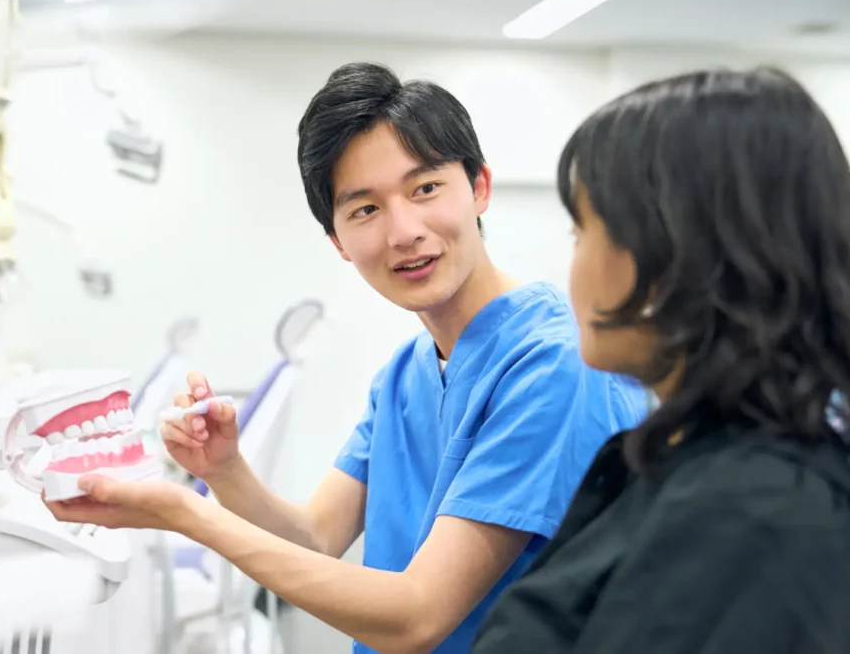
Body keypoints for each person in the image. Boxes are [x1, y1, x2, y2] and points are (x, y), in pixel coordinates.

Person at [45, 62, 648, 653]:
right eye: (365, 209)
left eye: (426, 188)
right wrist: (223, 471)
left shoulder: (555, 365)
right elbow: (315, 537)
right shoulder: (405, 375)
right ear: (337, 241)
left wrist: (185, 514)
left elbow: (418, 617)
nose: (403, 230)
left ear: (479, 187)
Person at [472, 67, 850, 653]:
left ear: (676, 254)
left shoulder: (758, 512)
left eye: (582, 234)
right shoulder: (680, 456)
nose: (572, 269)